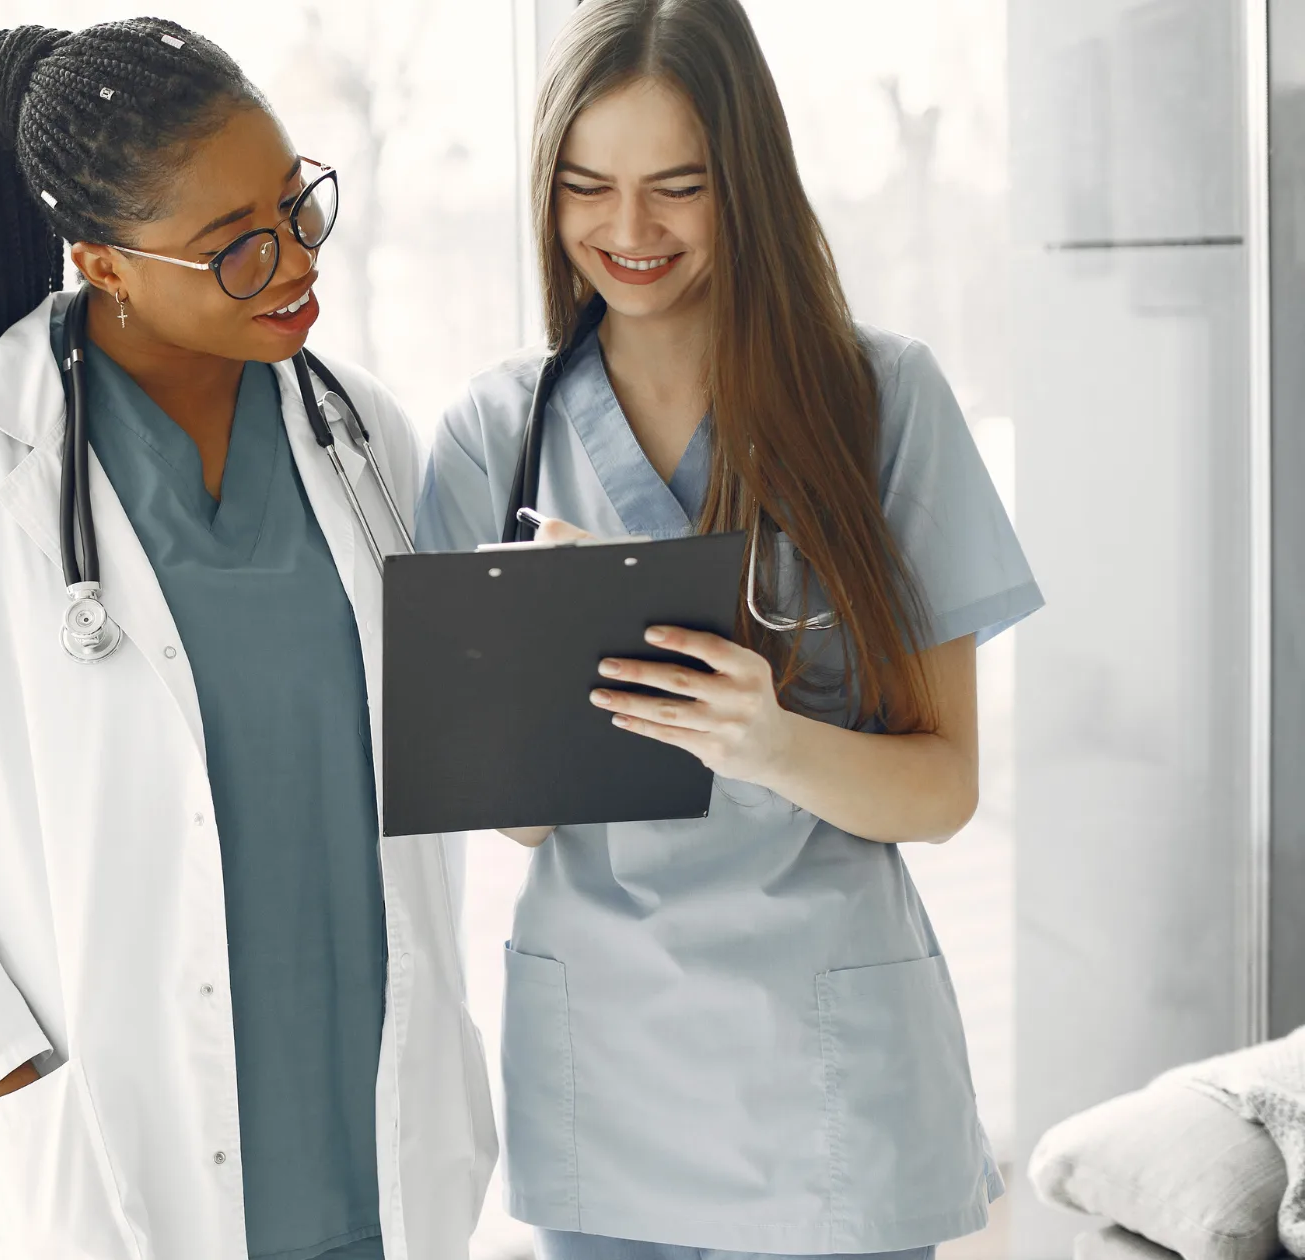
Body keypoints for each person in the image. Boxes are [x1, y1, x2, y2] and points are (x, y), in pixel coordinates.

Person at [0, 21, 494, 1260]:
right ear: (102, 264)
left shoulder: (360, 433)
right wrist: (2, 1073)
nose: (293, 260)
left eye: (297, 204)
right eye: (234, 247)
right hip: (116, 1164)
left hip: (374, 1139)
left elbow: (421, 749)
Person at [414, 1, 1042, 1257]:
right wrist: (548, 666)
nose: (626, 232)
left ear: (744, 180)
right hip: (608, 1077)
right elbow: (516, 817)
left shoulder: (879, 402)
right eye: (586, 187)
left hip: (824, 1081)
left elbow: (941, 787)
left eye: (676, 187)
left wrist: (762, 737)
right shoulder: (496, 433)